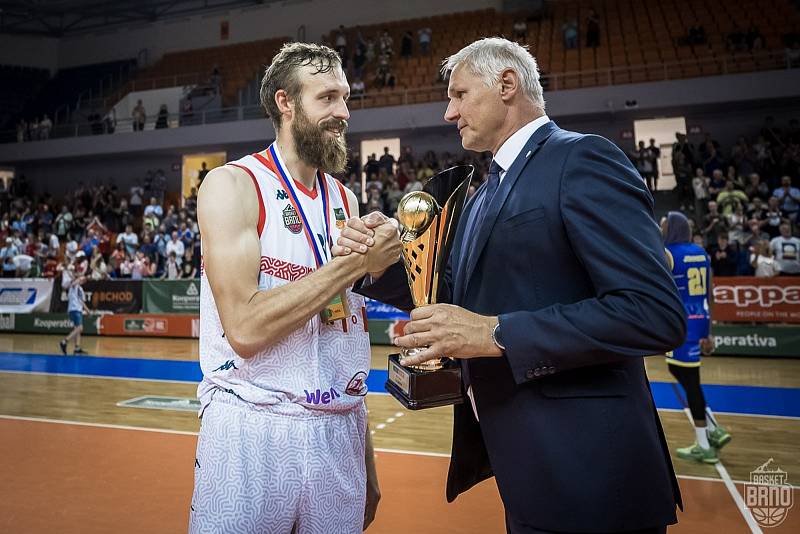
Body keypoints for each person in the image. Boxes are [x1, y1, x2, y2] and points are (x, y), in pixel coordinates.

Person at [337, 38, 686, 533]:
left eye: (459, 94)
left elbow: (654, 311)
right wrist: (380, 265)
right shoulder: (483, 193)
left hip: (592, 478)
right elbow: (453, 291)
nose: (448, 112)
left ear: (506, 84)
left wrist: (495, 334)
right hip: (527, 473)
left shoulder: (581, 158)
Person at [190, 42, 399, 534]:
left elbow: (344, 335)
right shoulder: (233, 185)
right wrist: (354, 266)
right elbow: (244, 327)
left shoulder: (345, 199)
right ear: (285, 103)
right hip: (251, 431)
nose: (343, 113)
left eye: (345, 98)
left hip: (339, 434)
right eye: (327, 98)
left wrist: (364, 457)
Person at [661, 212, 731, 464]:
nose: (661, 227)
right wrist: (709, 330)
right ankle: (713, 428)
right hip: (699, 318)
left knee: (689, 381)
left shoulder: (668, 253)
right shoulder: (702, 253)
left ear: (673, 228)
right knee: (680, 372)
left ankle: (704, 443)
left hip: (682, 322)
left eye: (664, 224)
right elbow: (710, 294)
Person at [59, 274, 90, 355]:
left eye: (84, 280)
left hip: (77, 310)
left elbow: (82, 302)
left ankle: (77, 348)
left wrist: (87, 311)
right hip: (74, 309)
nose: (83, 280)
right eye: (82, 279)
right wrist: (78, 278)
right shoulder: (74, 286)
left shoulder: (80, 289)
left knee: (77, 329)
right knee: (80, 328)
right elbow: (73, 283)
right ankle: (64, 341)